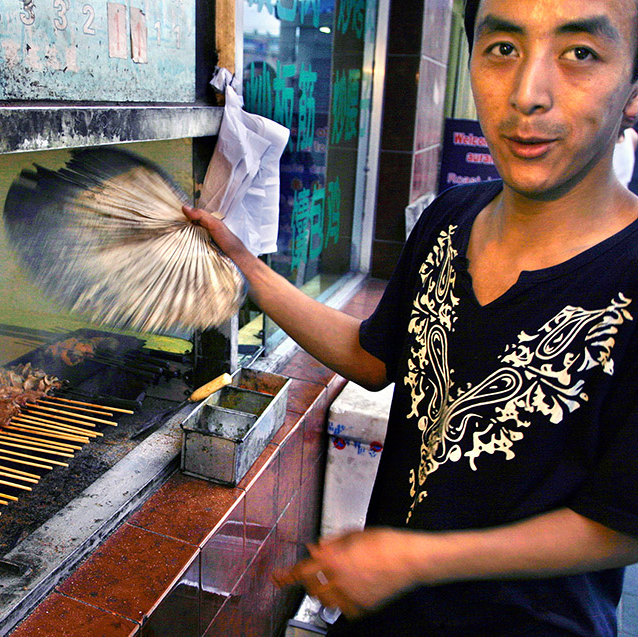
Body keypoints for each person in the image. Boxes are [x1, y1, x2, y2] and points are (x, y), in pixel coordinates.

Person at [184, 0, 638, 634]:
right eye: (502, 49)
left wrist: (415, 558)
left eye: (580, 53)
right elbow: (375, 358)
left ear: (634, 86)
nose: (528, 95)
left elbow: (620, 523)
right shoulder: (449, 216)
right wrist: (247, 270)